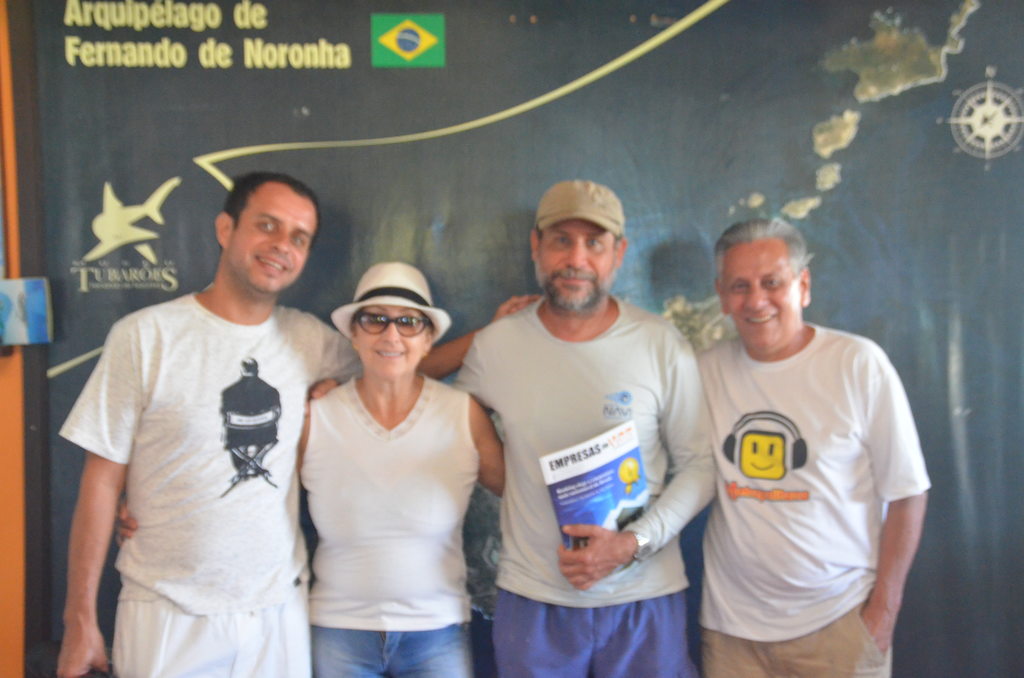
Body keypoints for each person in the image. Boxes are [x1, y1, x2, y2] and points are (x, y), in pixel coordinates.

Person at [56, 172, 362, 678]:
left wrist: (491, 335)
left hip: (277, 615)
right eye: (267, 225)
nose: (281, 246)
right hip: (168, 616)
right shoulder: (145, 336)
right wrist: (79, 619)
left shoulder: (309, 340)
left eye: (298, 237)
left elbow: (396, 367)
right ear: (226, 229)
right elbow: (101, 480)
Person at [454, 180, 714, 677]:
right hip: (533, 603)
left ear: (619, 253)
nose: (576, 258)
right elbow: (441, 412)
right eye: (561, 240)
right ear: (536, 247)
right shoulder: (496, 346)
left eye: (594, 243)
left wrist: (632, 544)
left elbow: (701, 466)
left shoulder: (661, 344)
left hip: (645, 600)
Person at [697, 218, 930, 678]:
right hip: (732, 637)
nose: (756, 300)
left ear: (803, 286)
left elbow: (908, 494)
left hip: (839, 627)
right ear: (722, 296)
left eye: (772, 283)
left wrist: (883, 612)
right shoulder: (703, 371)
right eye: (740, 286)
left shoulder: (858, 365)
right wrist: (519, 330)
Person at [300, 261, 504, 678]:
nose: (391, 335)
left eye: (409, 322)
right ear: (353, 335)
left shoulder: (462, 415)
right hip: (338, 631)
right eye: (375, 320)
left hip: (437, 631)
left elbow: (523, 495)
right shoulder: (316, 418)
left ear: (428, 339)